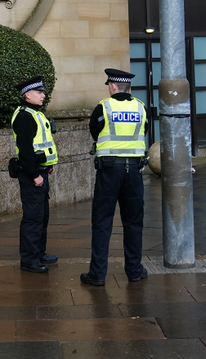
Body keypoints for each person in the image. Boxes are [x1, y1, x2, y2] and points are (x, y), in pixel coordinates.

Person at [81, 68, 148, 286]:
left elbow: (95, 130)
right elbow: (144, 130)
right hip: (135, 172)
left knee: (102, 222)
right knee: (134, 223)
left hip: (109, 170)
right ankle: (134, 270)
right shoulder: (140, 107)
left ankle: (98, 275)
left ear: (112, 86)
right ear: (128, 88)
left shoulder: (104, 106)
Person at [12, 76, 59, 273]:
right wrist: (34, 174)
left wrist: (47, 165)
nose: (43, 95)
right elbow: (24, 151)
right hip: (32, 175)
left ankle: (39, 252)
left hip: (40, 171)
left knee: (42, 216)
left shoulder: (35, 114)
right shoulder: (24, 116)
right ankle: (29, 260)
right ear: (27, 95)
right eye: (39, 93)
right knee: (32, 217)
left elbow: (40, 145)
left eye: (43, 92)